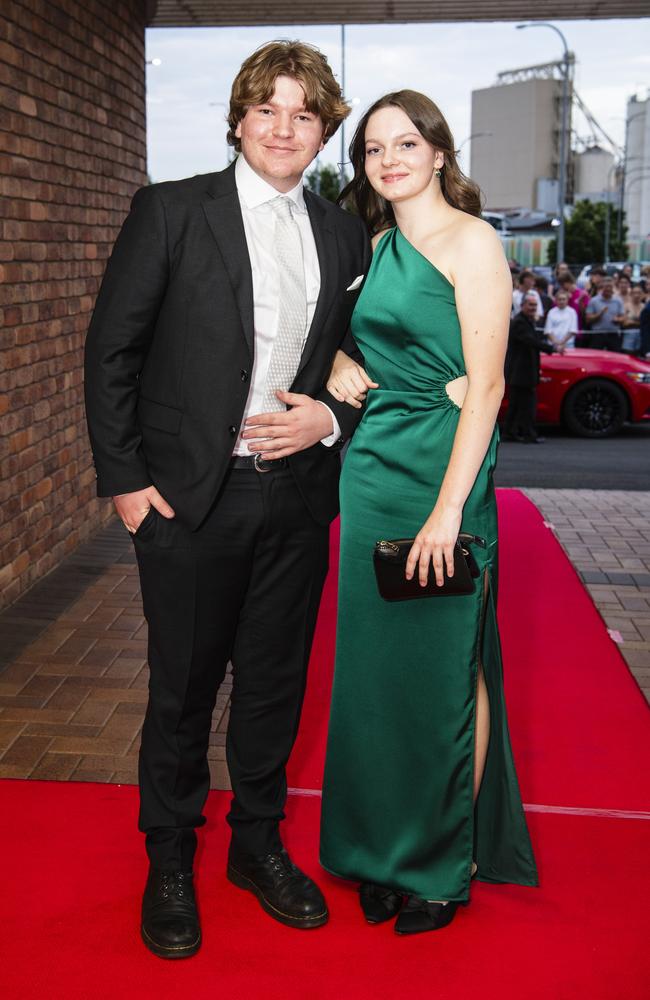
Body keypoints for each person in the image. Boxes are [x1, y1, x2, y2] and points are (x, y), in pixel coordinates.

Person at [84, 40, 371, 958]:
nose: (284, 128)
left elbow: (356, 362)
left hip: (296, 498)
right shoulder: (170, 210)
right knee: (183, 692)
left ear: (323, 130)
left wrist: (326, 420)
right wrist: (128, 485)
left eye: (305, 114)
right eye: (268, 110)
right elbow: (111, 353)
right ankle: (169, 856)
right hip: (187, 502)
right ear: (240, 119)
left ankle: (256, 844)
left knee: (274, 686)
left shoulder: (341, 232)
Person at [319, 89, 538, 936]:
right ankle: (380, 852)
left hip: (446, 477)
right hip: (373, 471)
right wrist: (339, 357)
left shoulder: (474, 242)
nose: (389, 159)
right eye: (374, 149)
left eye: (405, 143)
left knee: (449, 670)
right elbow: (324, 328)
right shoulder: (371, 246)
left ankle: (441, 867)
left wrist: (450, 511)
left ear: (439, 153)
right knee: (377, 681)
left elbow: (487, 387)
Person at [503, 292, 555, 442]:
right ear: (522, 306)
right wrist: (552, 349)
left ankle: (509, 432)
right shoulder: (520, 322)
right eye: (530, 305)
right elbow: (531, 341)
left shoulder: (525, 321)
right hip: (521, 372)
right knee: (528, 406)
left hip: (520, 372)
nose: (533, 308)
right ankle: (529, 434)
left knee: (516, 405)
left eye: (535, 305)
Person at [584, 276, 625, 350]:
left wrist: (618, 319)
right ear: (602, 287)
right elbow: (588, 319)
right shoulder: (594, 301)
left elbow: (623, 317)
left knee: (615, 356)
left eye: (610, 287)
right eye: (606, 287)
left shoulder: (618, 301)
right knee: (596, 357)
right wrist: (599, 314)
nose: (608, 289)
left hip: (613, 334)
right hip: (597, 334)